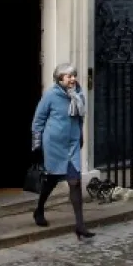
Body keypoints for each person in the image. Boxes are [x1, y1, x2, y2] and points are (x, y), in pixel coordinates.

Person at [30, 62, 95, 240]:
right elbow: (38, 120)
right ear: (60, 79)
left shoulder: (79, 95)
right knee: (51, 181)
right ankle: (39, 209)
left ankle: (80, 226)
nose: (73, 79)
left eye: (74, 75)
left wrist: (80, 136)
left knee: (75, 182)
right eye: (69, 76)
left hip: (72, 145)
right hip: (54, 145)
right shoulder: (50, 95)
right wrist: (36, 145)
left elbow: (80, 118)